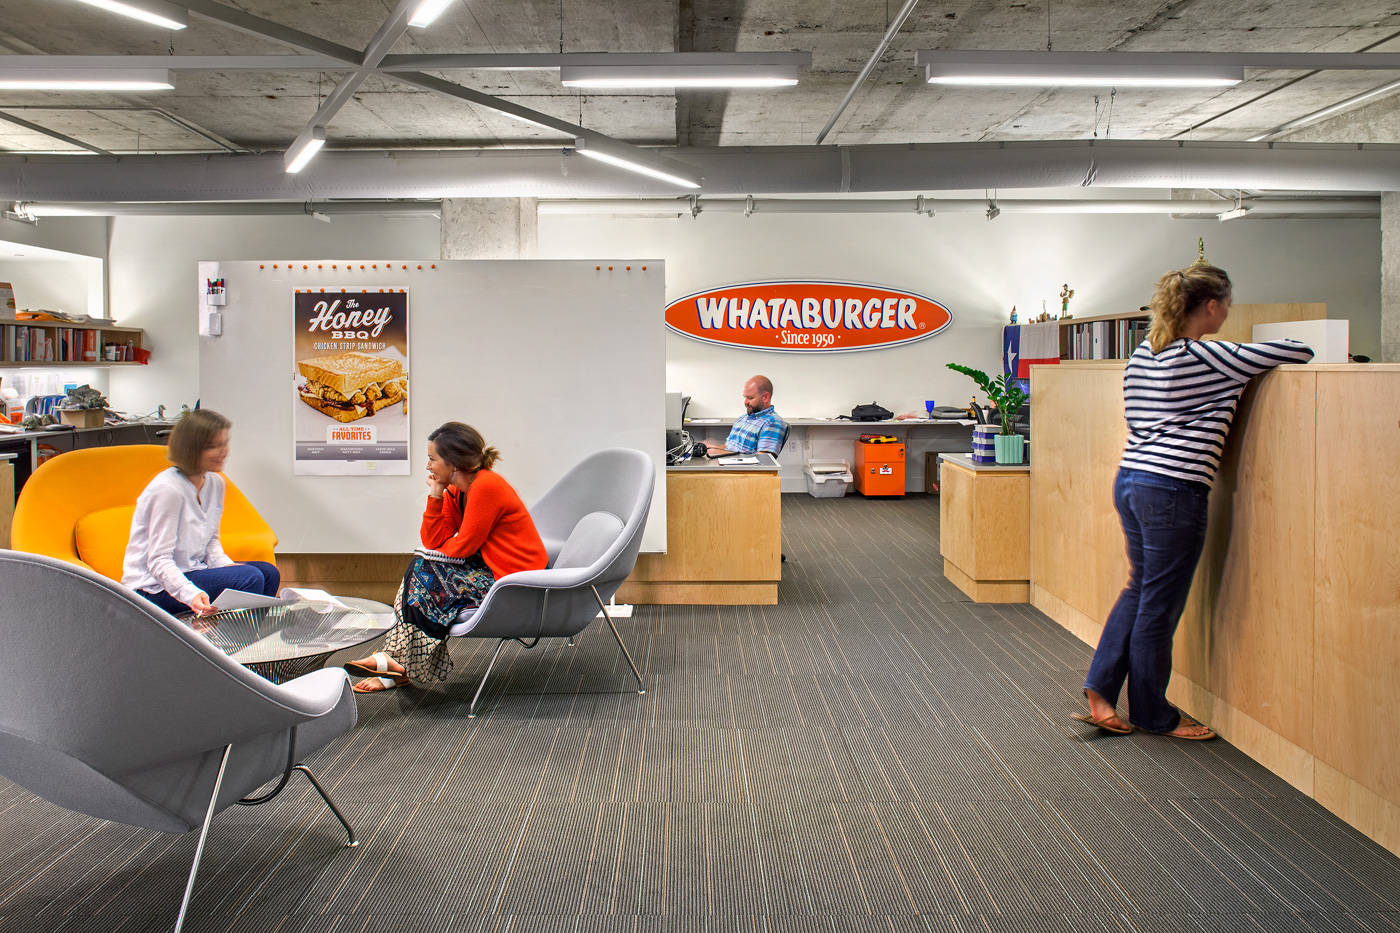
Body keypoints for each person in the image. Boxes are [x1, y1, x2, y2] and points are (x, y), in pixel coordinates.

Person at [1077, 264, 1313, 740]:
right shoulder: (1209, 357)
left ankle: (1102, 691)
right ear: (1211, 306)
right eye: (1227, 304)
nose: (1228, 312)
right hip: (1174, 489)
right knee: (1159, 605)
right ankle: (1153, 713)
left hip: (1133, 480)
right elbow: (1299, 351)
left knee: (1140, 588)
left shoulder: (1145, 353)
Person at [345, 422, 548, 693]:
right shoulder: (455, 491)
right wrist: (436, 494)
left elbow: (462, 547)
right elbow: (435, 540)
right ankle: (394, 662)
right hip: (487, 569)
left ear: (453, 463)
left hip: (517, 578)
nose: (428, 466)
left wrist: (432, 557)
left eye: (432, 459)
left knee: (423, 570)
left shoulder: (487, 486)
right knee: (420, 571)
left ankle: (394, 663)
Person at [122, 409, 280, 616]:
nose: (224, 452)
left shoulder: (215, 483)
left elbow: (211, 543)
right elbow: (158, 561)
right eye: (214, 446)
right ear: (191, 450)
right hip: (151, 589)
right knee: (250, 577)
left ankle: (248, 640)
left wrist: (228, 569)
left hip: (192, 571)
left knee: (268, 573)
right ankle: (227, 645)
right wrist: (189, 593)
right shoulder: (168, 490)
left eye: (224, 443)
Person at [704, 375, 788, 456]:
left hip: (741, 470)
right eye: (745, 397)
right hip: (727, 465)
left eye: (750, 398)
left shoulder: (772, 422)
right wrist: (713, 449)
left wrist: (720, 453)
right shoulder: (743, 418)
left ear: (765, 397)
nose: (745, 402)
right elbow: (730, 448)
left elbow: (764, 460)